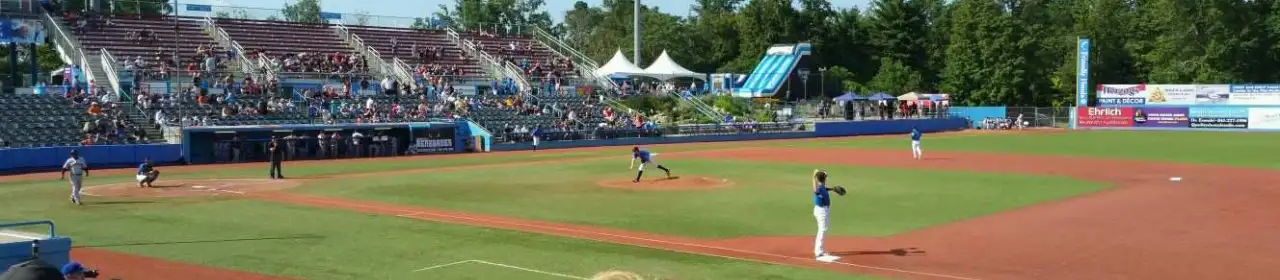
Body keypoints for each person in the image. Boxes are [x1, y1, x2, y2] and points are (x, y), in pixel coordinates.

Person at [812, 169, 839, 262]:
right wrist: (813, 177)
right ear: (823, 179)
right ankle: (818, 251)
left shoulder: (822, 187)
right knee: (822, 229)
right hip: (821, 211)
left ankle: (820, 250)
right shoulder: (819, 188)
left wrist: (832, 189)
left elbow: (824, 189)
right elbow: (815, 190)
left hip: (824, 210)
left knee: (825, 228)